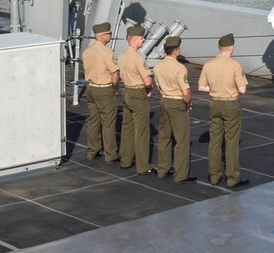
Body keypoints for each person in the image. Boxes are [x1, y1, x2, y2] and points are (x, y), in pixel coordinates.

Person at [199, 33, 249, 189]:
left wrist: (215, 89)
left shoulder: (208, 65)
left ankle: (214, 176)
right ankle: (232, 177)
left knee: (214, 141)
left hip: (215, 103)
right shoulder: (235, 65)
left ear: (219, 48)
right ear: (231, 48)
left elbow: (201, 87)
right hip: (230, 104)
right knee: (231, 142)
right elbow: (242, 90)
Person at [154, 36, 193, 182]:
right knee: (181, 139)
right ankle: (181, 174)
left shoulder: (158, 66)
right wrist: (187, 103)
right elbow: (186, 92)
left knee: (164, 136)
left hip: (164, 100)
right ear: (176, 51)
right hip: (177, 103)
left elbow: (158, 86)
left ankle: (163, 169)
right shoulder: (180, 68)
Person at [80, 22, 119, 163]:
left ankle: (92, 151)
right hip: (104, 89)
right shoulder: (107, 53)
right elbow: (115, 74)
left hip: (91, 88)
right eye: (109, 33)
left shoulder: (87, 52)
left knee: (94, 121)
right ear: (102, 36)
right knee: (108, 122)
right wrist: (114, 88)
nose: (111, 36)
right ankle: (111, 154)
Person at [117, 25, 154, 173]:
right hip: (138, 93)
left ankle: (125, 160)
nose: (143, 40)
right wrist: (149, 90)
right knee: (142, 130)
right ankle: (143, 166)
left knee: (127, 128)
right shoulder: (139, 58)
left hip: (127, 91)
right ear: (134, 40)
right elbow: (147, 80)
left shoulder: (121, 56)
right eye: (141, 38)